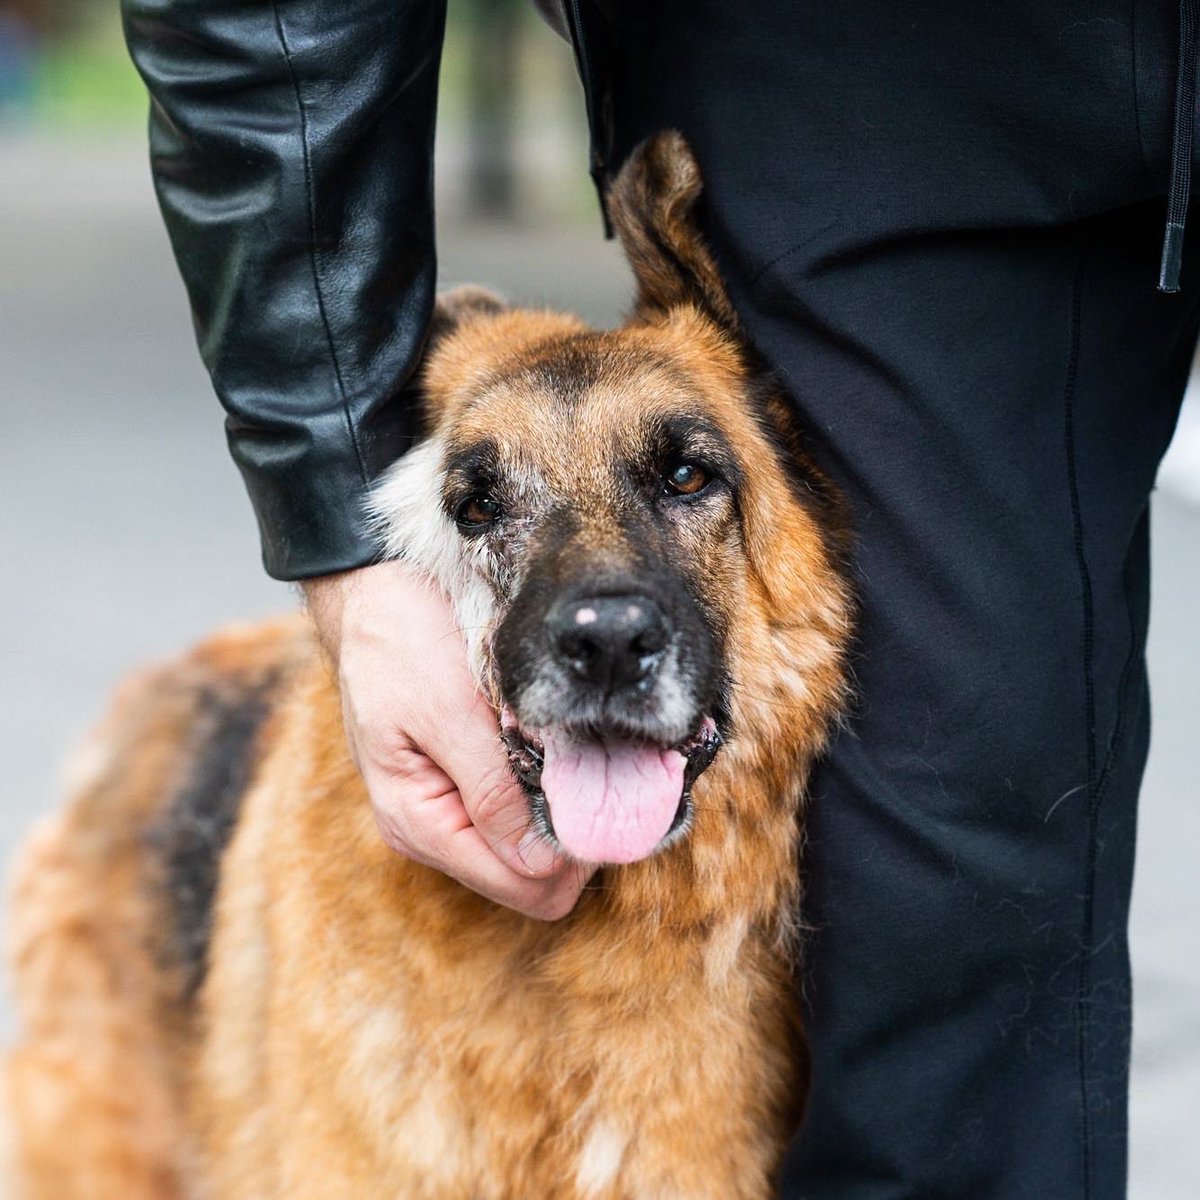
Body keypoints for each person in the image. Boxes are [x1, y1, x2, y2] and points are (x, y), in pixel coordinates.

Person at [121, 2, 1199, 1196]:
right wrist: (342, 539)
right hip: (875, 74)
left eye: (685, 477)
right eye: (488, 504)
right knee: (942, 869)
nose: (603, 616)